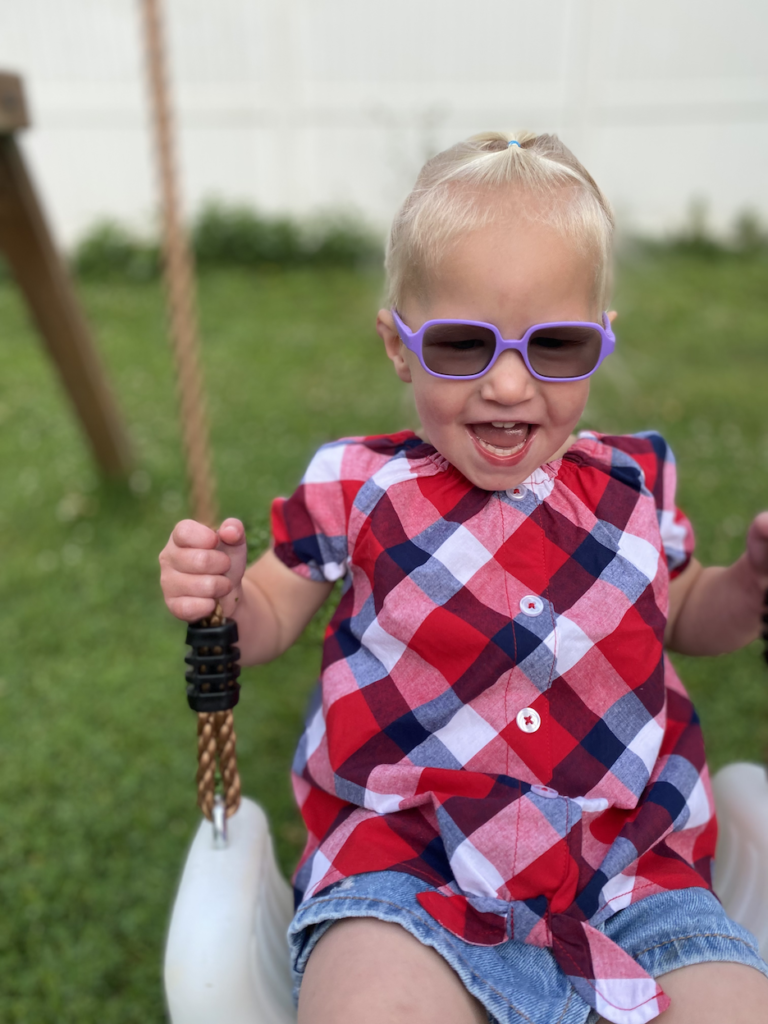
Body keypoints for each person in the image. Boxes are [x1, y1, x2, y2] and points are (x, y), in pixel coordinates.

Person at [159, 131, 768, 1024]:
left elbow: (683, 609)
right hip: (406, 869)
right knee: (368, 1004)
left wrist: (749, 586)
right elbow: (263, 617)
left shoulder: (637, 486)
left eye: (555, 346)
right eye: (460, 346)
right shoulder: (356, 486)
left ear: (601, 339)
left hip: (630, 873)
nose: (511, 386)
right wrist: (217, 596)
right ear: (397, 345)